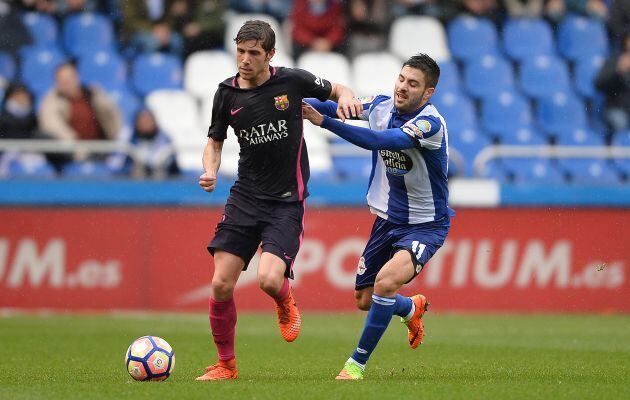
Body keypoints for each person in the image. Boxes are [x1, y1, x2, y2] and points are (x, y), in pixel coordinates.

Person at [195, 20, 361, 381]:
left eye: (254, 53)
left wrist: (346, 96)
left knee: (269, 280)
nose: (245, 59)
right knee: (221, 283)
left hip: (286, 200)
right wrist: (210, 169)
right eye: (240, 51)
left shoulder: (293, 81)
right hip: (245, 197)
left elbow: (337, 88)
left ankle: (285, 300)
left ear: (270, 55)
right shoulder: (226, 93)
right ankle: (226, 365)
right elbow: (215, 141)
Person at [302, 53, 452, 380]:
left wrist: (325, 123)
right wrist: (291, 101)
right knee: (364, 298)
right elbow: (335, 106)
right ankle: (410, 308)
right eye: (401, 79)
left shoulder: (430, 124)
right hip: (387, 220)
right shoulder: (382, 105)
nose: (402, 87)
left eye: (413, 84)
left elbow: (383, 140)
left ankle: (355, 365)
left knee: (385, 283)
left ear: (428, 93)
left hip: (425, 225)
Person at [39, 61, 122, 170]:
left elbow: (113, 117)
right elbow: (52, 125)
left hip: (100, 148)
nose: (65, 83)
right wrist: (77, 147)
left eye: (68, 79)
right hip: (71, 153)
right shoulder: (52, 99)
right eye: (61, 80)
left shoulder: (93, 93)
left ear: (76, 77)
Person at [596, 31, 630, 135]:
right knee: (620, 121)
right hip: (617, 108)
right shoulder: (615, 60)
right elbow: (599, 84)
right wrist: (618, 71)